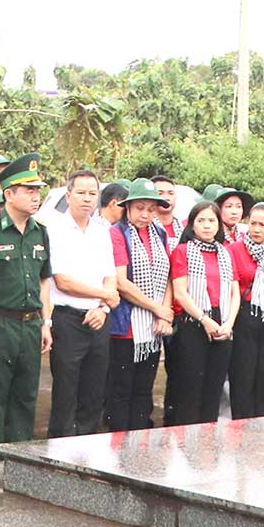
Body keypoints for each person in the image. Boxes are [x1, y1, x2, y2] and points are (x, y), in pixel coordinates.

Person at [0, 153, 53, 461]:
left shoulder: (39, 230)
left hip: (31, 322)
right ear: (9, 194)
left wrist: (46, 322)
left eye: (37, 190)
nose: (36, 196)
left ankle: (20, 456)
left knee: (26, 392)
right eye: (28, 190)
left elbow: (45, 279)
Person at [45, 170, 117, 437]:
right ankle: (60, 454)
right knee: (66, 391)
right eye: (81, 192)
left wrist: (104, 307)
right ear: (68, 195)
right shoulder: (54, 230)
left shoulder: (102, 231)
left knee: (94, 391)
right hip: (68, 319)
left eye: (92, 193)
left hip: (99, 317)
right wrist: (104, 295)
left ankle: (88, 454)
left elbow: (111, 276)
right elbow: (62, 280)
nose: (87, 199)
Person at [166, 200, 239, 425]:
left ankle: (208, 446)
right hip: (193, 322)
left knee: (213, 388)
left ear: (218, 224)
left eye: (211, 220)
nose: (207, 226)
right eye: (201, 221)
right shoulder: (183, 251)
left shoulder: (226, 253)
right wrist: (204, 320)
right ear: (192, 225)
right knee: (190, 388)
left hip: (223, 322)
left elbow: (234, 292)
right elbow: (180, 293)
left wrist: (228, 324)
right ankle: (186, 445)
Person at [106, 178, 171, 431]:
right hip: (126, 326)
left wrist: (164, 315)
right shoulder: (118, 233)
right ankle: (120, 445)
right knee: (121, 389)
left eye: (151, 209)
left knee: (144, 390)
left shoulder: (160, 233)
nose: (145, 214)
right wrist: (157, 308)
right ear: (128, 208)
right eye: (140, 208)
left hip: (152, 328)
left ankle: (141, 448)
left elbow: (167, 277)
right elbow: (121, 282)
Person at [228, 202, 264, 418]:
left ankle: (261, 430)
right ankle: (240, 430)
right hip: (243, 317)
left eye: (262, 224)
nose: (256, 229)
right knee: (242, 377)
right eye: (252, 223)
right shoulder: (234, 250)